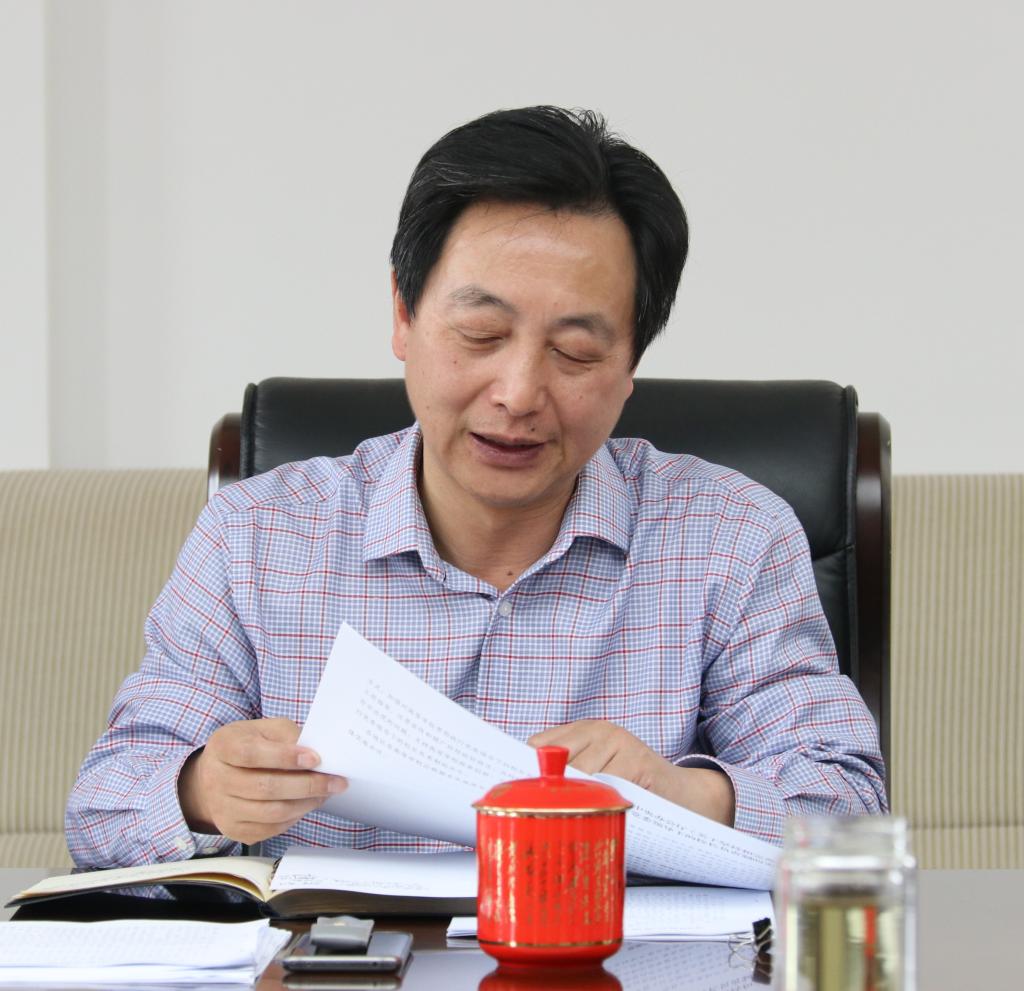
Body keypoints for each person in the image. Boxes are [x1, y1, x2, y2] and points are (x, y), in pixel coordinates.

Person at [66, 106, 886, 868]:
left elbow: (849, 813)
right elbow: (102, 808)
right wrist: (202, 790)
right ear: (403, 314)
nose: (519, 394)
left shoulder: (732, 537)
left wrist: (681, 795)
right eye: (482, 333)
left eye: (574, 352)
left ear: (631, 363)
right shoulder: (255, 535)